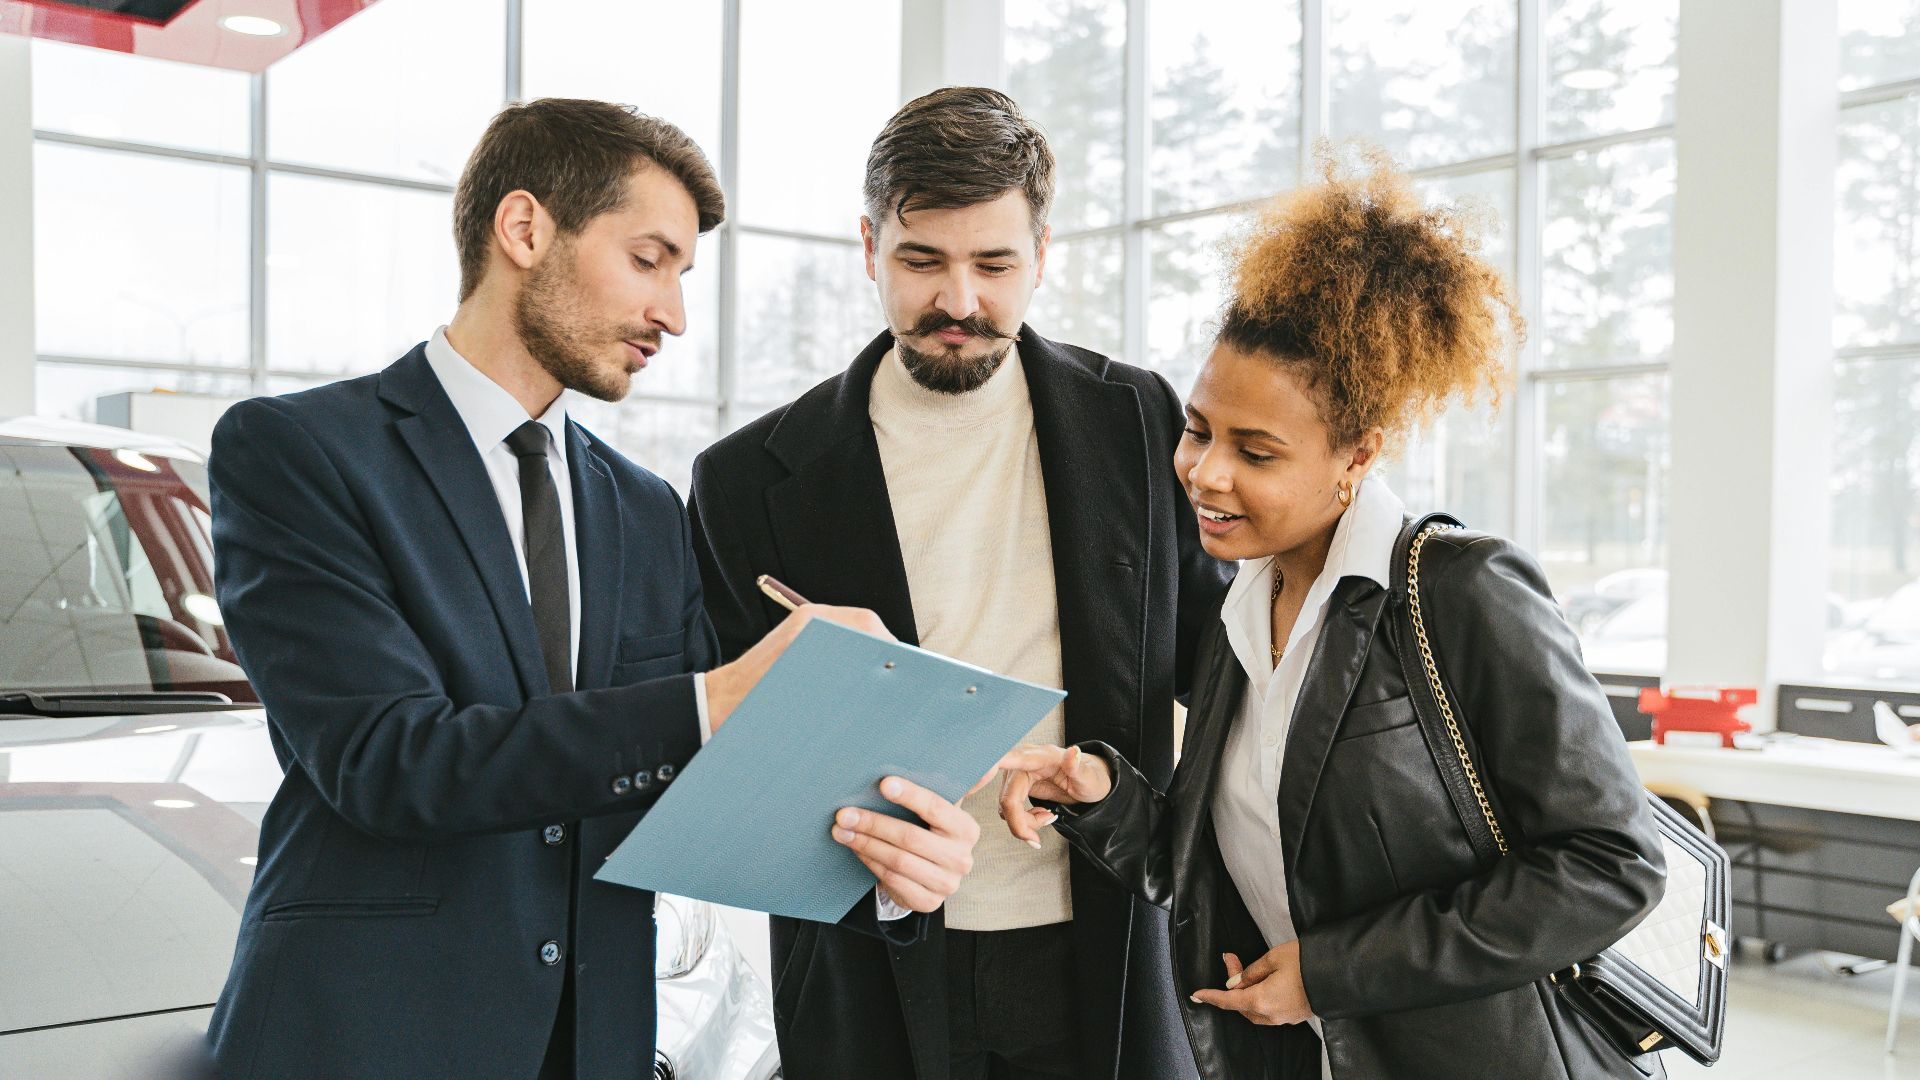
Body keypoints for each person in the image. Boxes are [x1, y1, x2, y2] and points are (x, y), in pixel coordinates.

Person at [204, 98, 978, 1080]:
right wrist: (718, 697)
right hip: (368, 1038)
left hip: (597, 1043)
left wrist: (882, 858)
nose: (675, 314)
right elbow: (384, 760)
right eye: (649, 260)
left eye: (683, 275)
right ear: (525, 228)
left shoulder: (645, 507)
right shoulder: (303, 453)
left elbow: (693, 782)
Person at [992, 148, 1669, 1080]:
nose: (1205, 472)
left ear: (1357, 456)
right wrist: (1106, 803)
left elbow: (1612, 863)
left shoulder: (1461, 592)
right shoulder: (1243, 609)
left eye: (1257, 452)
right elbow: (1228, 874)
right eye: (1198, 429)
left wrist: (1335, 973)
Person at [688, 87, 1233, 1080]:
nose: (959, 302)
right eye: (921, 261)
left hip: (1108, 942)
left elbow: (1226, 662)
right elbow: (731, 773)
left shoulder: (1138, 417)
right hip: (870, 965)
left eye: (994, 264)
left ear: (1043, 251)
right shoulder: (747, 481)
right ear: (867, 245)